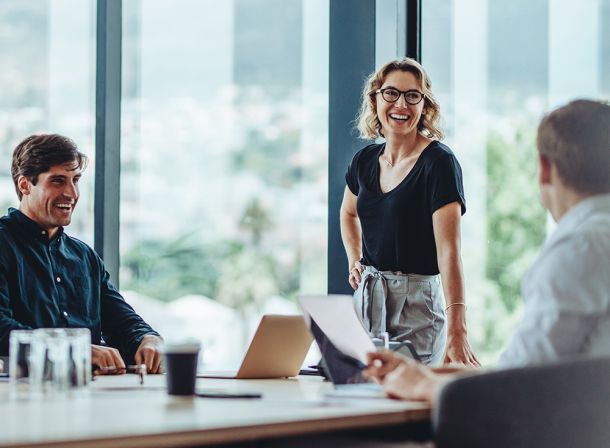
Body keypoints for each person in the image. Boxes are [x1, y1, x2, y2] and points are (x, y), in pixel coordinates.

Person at [364, 99, 610, 402]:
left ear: (545, 169)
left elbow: (517, 387)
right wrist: (426, 373)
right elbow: (527, 368)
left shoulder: (580, 249)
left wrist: (422, 386)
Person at [340, 57, 478, 366]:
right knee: (364, 397)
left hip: (417, 304)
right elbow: (348, 213)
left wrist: (459, 329)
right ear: (375, 98)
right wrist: (354, 259)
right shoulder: (364, 161)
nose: (400, 104)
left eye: (412, 95)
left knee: (410, 403)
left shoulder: (439, 163)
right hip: (368, 298)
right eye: (391, 93)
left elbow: (449, 252)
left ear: (424, 105)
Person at [0, 134, 163, 374]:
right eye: (58, 181)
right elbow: (2, 330)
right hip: (19, 399)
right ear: (25, 185)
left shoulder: (84, 256)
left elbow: (121, 320)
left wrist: (148, 339)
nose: (72, 193)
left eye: (75, 180)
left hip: (91, 396)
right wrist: (76, 350)